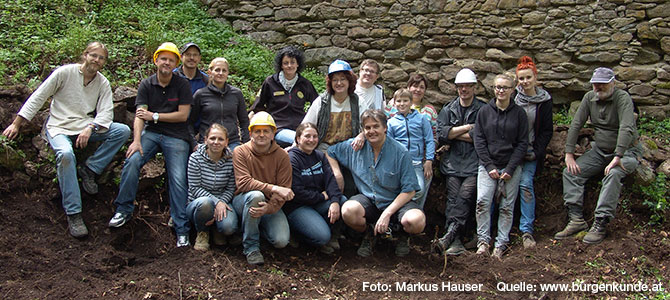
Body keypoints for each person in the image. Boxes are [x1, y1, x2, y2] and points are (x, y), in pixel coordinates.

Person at [2, 42, 130, 238]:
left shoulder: (102, 82)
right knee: (66, 154)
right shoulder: (65, 73)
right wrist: (17, 124)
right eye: (93, 55)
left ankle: (90, 169)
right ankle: (74, 212)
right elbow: (39, 96)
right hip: (59, 126)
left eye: (101, 58)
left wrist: (90, 127)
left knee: (121, 131)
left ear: (104, 62)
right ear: (85, 55)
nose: (96, 60)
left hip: (84, 125)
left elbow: (105, 112)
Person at [109, 42, 194, 248]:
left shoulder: (181, 84)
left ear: (176, 63)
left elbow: (183, 115)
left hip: (177, 136)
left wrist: (154, 116)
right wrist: (136, 141)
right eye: (163, 58)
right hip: (151, 134)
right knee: (132, 160)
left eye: (171, 60)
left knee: (178, 178)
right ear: (156, 60)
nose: (166, 62)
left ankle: (182, 229)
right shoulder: (147, 84)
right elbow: (139, 116)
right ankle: (124, 210)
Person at [554, 67, 641, 244]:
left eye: (602, 84)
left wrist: (618, 156)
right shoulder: (589, 98)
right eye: (595, 84)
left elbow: (626, 127)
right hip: (600, 152)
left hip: (627, 153)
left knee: (613, 173)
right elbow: (576, 124)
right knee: (571, 172)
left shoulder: (622, 98)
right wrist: (569, 153)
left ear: (612, 83)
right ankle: (576, 220)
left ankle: (600, 222)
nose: (598, 88)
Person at [328, 109, 425, 258]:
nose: (371, 131)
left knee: (416, 220)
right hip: (369, 201)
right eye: (367, 128)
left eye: (376, 126)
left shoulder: (400, 152)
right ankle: (370, 233)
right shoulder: (355, 148)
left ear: (385, 128)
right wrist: (337, 173)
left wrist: (387, 213)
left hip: (396, 203)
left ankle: (401, 235)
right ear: (363, 130)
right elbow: (330, 152)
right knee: (348, 210)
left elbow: (410, 190)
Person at [473, 72, 528, 260]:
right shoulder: (484, 112)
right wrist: (489, 166)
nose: (500, 91)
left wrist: (510, 169)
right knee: (482, 202)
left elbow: (522, 143)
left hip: (511, 167)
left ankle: (501, 243)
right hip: (488, 166)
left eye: (505, 87)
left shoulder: (519, 114)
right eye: (497, 87)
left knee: (506, 207)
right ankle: (483, 242)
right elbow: (479, 139)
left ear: (512, 90)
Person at [432, 68, 486, 256]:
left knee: (465, 196)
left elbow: (480, 136)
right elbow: (442, 135)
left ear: (474, 87)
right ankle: (454, 240)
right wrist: (466, 129)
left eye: (467, 86)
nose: (464, 90)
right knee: (453, 198)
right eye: (460, 86)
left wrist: (454, 132)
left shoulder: (482, 109)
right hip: (452, 163)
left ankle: (450, 236)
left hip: (474, 163)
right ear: (456, 88)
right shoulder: (448, 109)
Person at [232, 112, 293, 265]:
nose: (261, 135)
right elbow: (244, 183)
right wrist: (274, 188)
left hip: (268, 205)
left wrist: (270, 208)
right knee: (256, 196)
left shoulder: (282, 156)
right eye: (257, 131)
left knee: (281, 241)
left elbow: (284, 188)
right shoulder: (240, 152)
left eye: (266, 131)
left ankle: (251, 229)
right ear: (250, 133)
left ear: (273, 134)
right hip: (243, 200)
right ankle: (251, 247)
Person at [285, 123, 345, 254]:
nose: (311, 140)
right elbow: (297, 191)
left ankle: (332, 234)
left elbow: (330, 180)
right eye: (307, 136)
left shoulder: (319, 156)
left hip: (317, 203)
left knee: (342, 201)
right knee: (322, 237)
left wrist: (334, 201)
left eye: (315, 136)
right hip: (298, 207)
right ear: (298, 139)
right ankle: (299, 234)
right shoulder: (292, 159)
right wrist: (322, 196)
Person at [513, 56, 554, 249]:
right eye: (521, 78)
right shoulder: (513, 97)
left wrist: (537, 152)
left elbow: (546, 130)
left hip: (530, 151)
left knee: (525, 184)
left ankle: (526, 230)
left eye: (528, 77)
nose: (525, 82)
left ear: (535, 77)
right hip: (511, 152)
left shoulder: (544, 101)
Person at [249, 46, 318, 147]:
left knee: (307, 139)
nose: (289, 66)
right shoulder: (270, 82)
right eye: (286, 63)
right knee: (301, 140)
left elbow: (317, 104)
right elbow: (258, 105)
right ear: (281, 65)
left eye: (292, 62)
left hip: (300, 127)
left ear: (298, 64)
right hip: (278, 128)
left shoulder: (304, 84)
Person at [186, 124, 238, 251]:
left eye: (220, 139)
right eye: (212, 138)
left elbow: (231, 188)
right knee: (206, 203)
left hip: (223, 201)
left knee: (229, 227)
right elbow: (195, 188)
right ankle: (202, 233)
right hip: (198, 203)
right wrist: (216, 202)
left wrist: (221, 203)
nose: (216, 142)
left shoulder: (231, 160)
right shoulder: (195, 158)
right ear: (205, 140)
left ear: (226, 142)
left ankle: (217, 229)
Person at [386, 88, 435, 209]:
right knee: (395, 189)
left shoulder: (421, 119)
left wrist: (429, 160)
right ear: (394, 103)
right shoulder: (391, 122)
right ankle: (400, 213)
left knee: (419, 189)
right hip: (398, 163)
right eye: (398, 101)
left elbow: (429, 139)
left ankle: (407, 209)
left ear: (411, 102)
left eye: (405, 101)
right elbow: (388, 145)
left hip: (416, 162)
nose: (402, 104)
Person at [302, 59, 365, 151]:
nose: (339, 83)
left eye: (343, 79)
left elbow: (368, 124)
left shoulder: (358, 101)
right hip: (324, 148)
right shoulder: (322, 101)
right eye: (335, 80)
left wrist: (362, 135)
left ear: (349, 81)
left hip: (350, 148)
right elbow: (306, 125)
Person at [190, 57, 249, 151]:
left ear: (228, 73)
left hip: (232, 142)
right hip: (208, 142)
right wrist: (194, 144)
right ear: (210, 72)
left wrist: (246, 144)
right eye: (217, 70)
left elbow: (244, 121)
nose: (220, 73)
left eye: (224, 70)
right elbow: (190, 123)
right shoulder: (200, 94)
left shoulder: (236, 94)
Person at [385, 74, 438, 139]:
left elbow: (435, 133)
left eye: (422, 87)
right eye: (415, 86)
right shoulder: (394, 104)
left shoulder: (430, 110)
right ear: (408, 87)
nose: (418, 90)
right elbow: (383, 124)